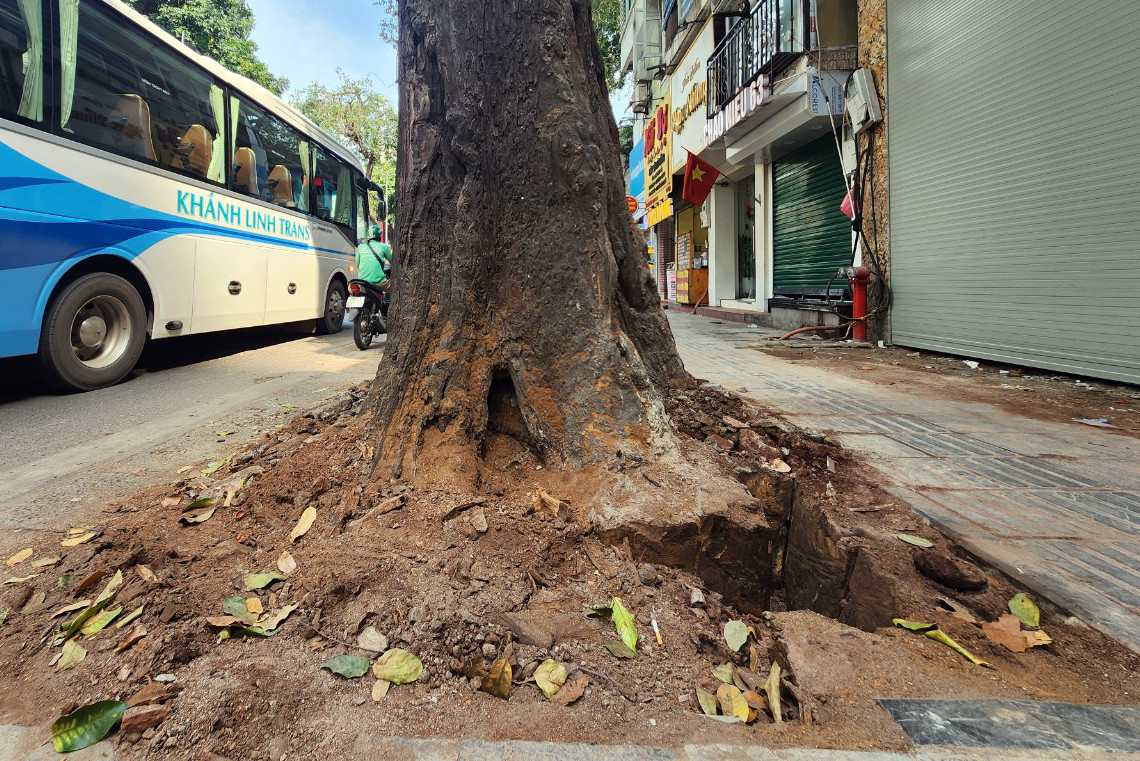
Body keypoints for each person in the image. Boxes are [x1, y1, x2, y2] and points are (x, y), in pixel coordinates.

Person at [355, 225, 392, 290]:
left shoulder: (360, 247)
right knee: (392, 287)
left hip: (362, 282)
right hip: (379, 282)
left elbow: (357, 264)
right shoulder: (384, 247)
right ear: (379, 236)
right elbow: (392, 261)